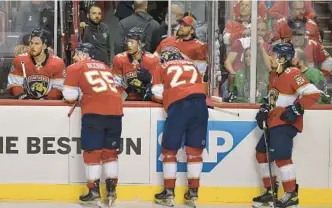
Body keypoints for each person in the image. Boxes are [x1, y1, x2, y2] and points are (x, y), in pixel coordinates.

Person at [253, 42, 320, 208]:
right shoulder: (274, 74)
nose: (271, 57)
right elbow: (273, 98)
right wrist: (264, 108)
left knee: (282, 157)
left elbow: (313, 93)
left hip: (284, 122)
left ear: (283, 58)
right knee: (262, 154)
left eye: (274, 55)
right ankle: (270, 193)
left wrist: (296, 108)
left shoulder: (293, 73)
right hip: (273, 120)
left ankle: (291, 196)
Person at [62, 43, 123, 207]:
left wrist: (80, 95)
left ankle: (93, 193)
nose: (74, 57)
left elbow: (69, 96)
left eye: (76, 54)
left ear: (83, 54)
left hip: (95, 112)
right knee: (111, 153)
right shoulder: (104, 67)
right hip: (116, 112)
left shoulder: (76, 67)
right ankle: (111, 192)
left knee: (92, 153)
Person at [151, 48, 208, 207]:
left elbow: (157, 93)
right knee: (195, 152)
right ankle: (193, 194)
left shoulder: (161, 66)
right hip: (200, 105)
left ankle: (168, 193)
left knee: (169, 151)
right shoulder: (192, 66)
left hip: (179, 106)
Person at [7, 28, 65, 100]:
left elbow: (59, 88)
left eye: (37, 43)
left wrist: (45, 100)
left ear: (44, 46)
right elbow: (14, 84)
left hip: (48, 106)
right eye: (31, 43)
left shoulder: (57, 63)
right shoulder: (19, 60)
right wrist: (22, 96)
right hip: (24, 105)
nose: (32, 46)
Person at [112, 27, 159, 101]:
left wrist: (150, 79)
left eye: (131, 42)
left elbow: (158, 87)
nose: (128, 45)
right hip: (125, 99)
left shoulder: (153, 60)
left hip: (146, 100)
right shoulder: (119, 59)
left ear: (141, 43)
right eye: (127, 41)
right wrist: (127, 89)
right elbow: (115, 86)